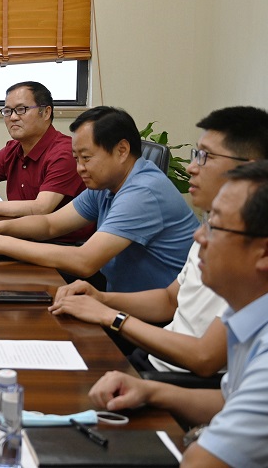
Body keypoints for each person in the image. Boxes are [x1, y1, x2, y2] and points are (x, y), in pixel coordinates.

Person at [49, 107, 268, 377]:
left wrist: (110, 315)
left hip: (178, 376)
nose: (191, 167)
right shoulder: (212, 224)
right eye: (195, 154)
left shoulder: (250, 250)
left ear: (248, 168)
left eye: (205, 157)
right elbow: (169, 299)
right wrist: (101, 298)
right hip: (156, 356)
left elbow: (205, 357)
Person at [89, 161, 268, 467]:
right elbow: (228, 400)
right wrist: (151, 391)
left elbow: (199, 462)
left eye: (215, 226)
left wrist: (112, 316)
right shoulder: (244, 313)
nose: (198, 236)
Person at [0, 106, 197, 293]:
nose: (80, 168)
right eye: (76, 158)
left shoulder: (143, 192)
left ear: (122, 151)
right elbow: (50, 224)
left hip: (161, 319)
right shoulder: (106, 183)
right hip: (120, 299)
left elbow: (85, 261)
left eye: (86, 158)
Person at [0, 81, 92, 242]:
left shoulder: (64, 152)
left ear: (46, 112)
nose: (12, 117)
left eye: (21, 109)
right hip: (21, 236)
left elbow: (41, 208)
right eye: (7, 111)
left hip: (62, 244)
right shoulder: (13, 149)